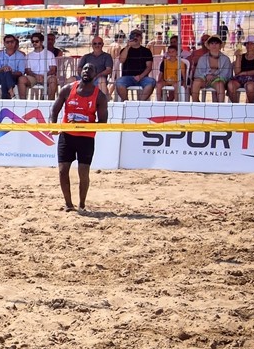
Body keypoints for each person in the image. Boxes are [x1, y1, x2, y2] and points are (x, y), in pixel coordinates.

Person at [49, 63, 108, 212]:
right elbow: (54, 110)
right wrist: (54, 126)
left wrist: (82, 125)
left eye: (91, 69)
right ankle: (69, 205)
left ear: (95, 74)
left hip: (86, 138)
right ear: (81, 71)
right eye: (85, 68)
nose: (87, 71)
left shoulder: (99, 96)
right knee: (63, 171)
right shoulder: (68, 89)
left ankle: (82, 204)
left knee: (83, 173)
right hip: (67, 136)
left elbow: (102, 123)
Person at [190, 35, 233, 102]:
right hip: (204, 79)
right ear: (209, 46)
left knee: (220, 85)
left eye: (216, 43)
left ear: (220, 45)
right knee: (196, 82)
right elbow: (198, 72)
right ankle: (196, 104)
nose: (214, 45)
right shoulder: (202, 58)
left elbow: (226, 74)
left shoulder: (225, 59)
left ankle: (220, 106)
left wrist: (214, 77)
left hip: (218, 80)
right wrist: (206, 76)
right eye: (212, 43)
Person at [116, 30, 155, 101]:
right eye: (133, 36)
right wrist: (128, 46)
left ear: (141, 38)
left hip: (142, 77)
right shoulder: (125, 50)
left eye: (137, 36)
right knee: (119, 82)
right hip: (127, 77)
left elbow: (149, 67)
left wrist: (141, 76)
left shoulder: (146, 51)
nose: (135, 37)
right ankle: (126, 102)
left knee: (151, 82)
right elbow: (121, 60)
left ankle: (140, 103)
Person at [228, 36, 254, 103]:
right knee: (230, 85)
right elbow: (237, 72)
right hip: (240, 78)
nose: (248, 45)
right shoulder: (241, 56)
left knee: (250, 87)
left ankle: (249, 106)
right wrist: (238, 57)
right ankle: (236, 106)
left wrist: (244, 73)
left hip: (253, 78)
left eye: (251, 44)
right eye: (247, 43)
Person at [0, 35, 27, 99]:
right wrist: (3, 68)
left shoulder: (20, 56)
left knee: (6, 75)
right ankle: (11, 92)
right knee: (4, 74)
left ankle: (6, 97)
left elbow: (21, 72)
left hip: (14, 77)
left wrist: (11, 72)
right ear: (4, 43)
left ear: (15, 42)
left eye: (12, 42)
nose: (10, 44)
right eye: (7, 42)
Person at [23, 32, 58, 99]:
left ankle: (50, 103)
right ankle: (22, 102)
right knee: (21, 79)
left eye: (36, 41)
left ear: (41, 42)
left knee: (53, 80)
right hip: (33, 77)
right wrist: (36, 76)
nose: (34, 43)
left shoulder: (49, 54)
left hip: (47, 76)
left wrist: (44, 75)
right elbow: (27, 70)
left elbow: (53, 69)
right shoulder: (28, 56)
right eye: (33, 41)